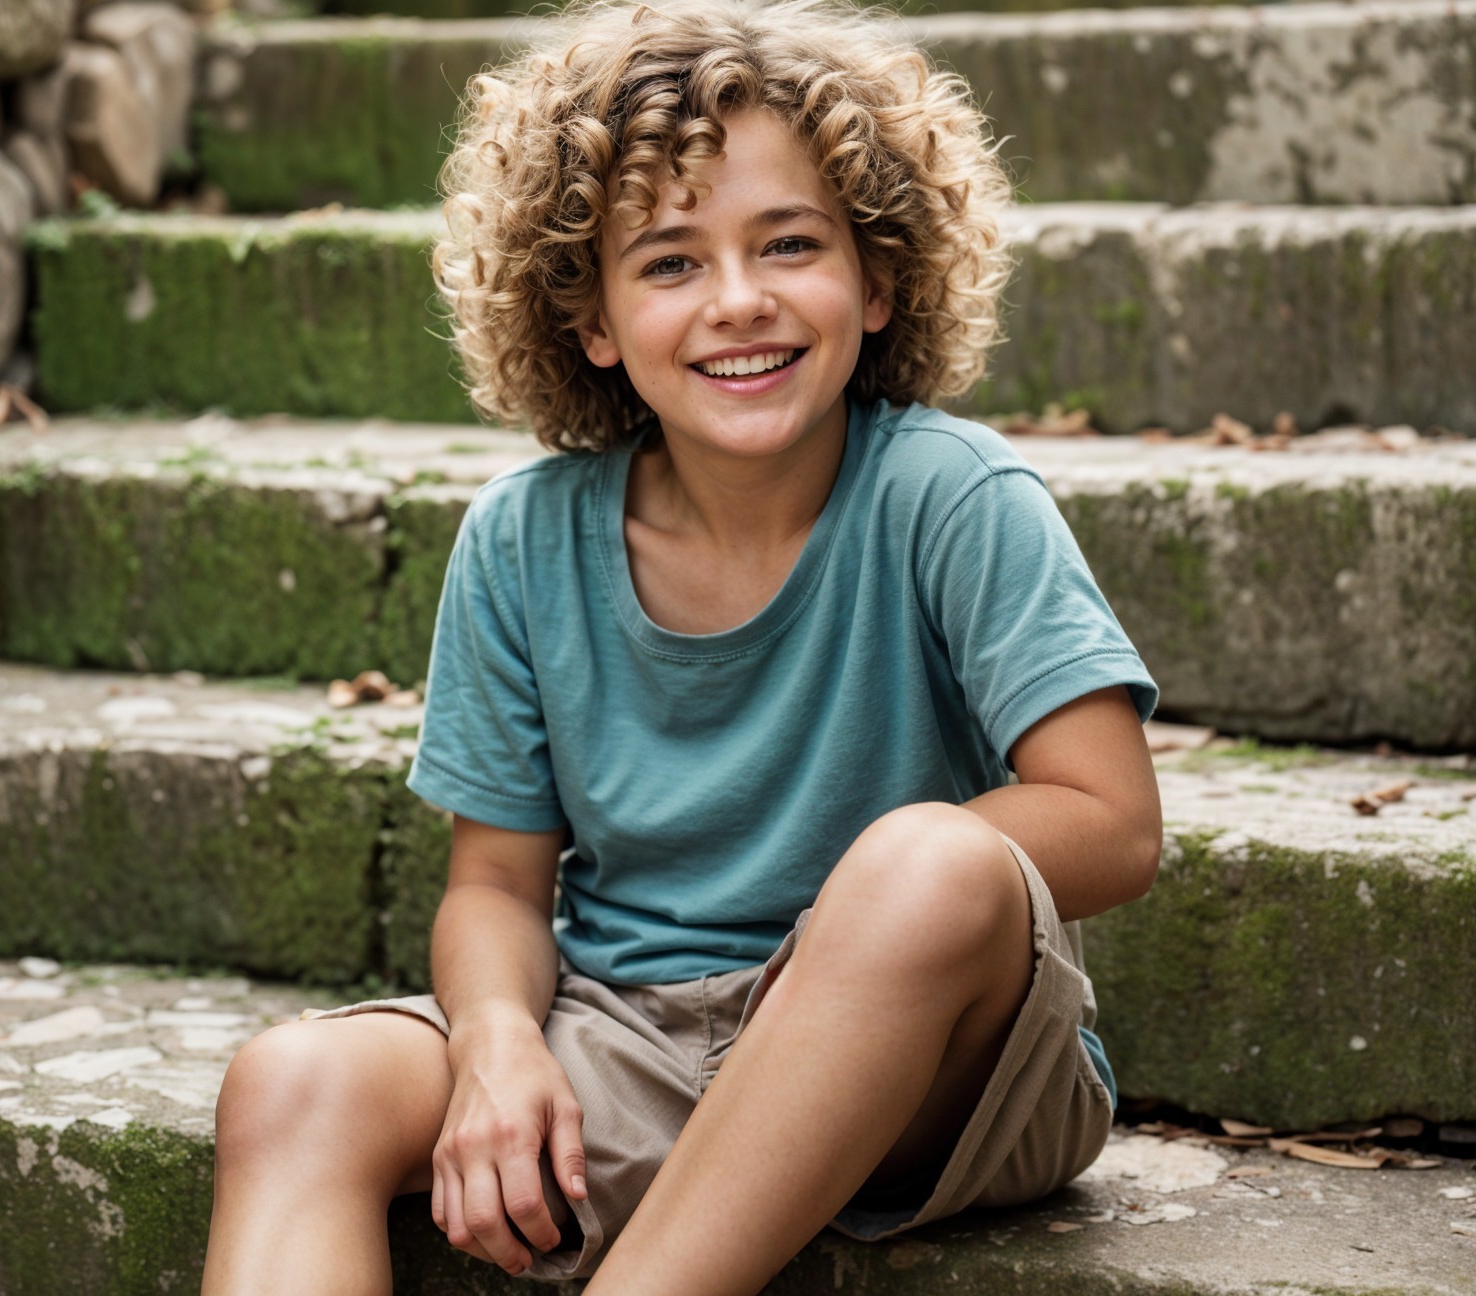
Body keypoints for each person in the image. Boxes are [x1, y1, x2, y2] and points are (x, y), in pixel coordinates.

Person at [200, 1, 1162, 1292]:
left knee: (926, 862)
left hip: (934, 1063)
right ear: (589, 318)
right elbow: (492, 886)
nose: (740, 302)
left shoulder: (954, 497)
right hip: (630, 1032)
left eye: (790, 244)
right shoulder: (524, 541)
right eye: (669, 262)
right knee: (291, 1085)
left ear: (878, 279)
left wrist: (851, 921)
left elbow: (1115, 821)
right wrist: (493, 1040)